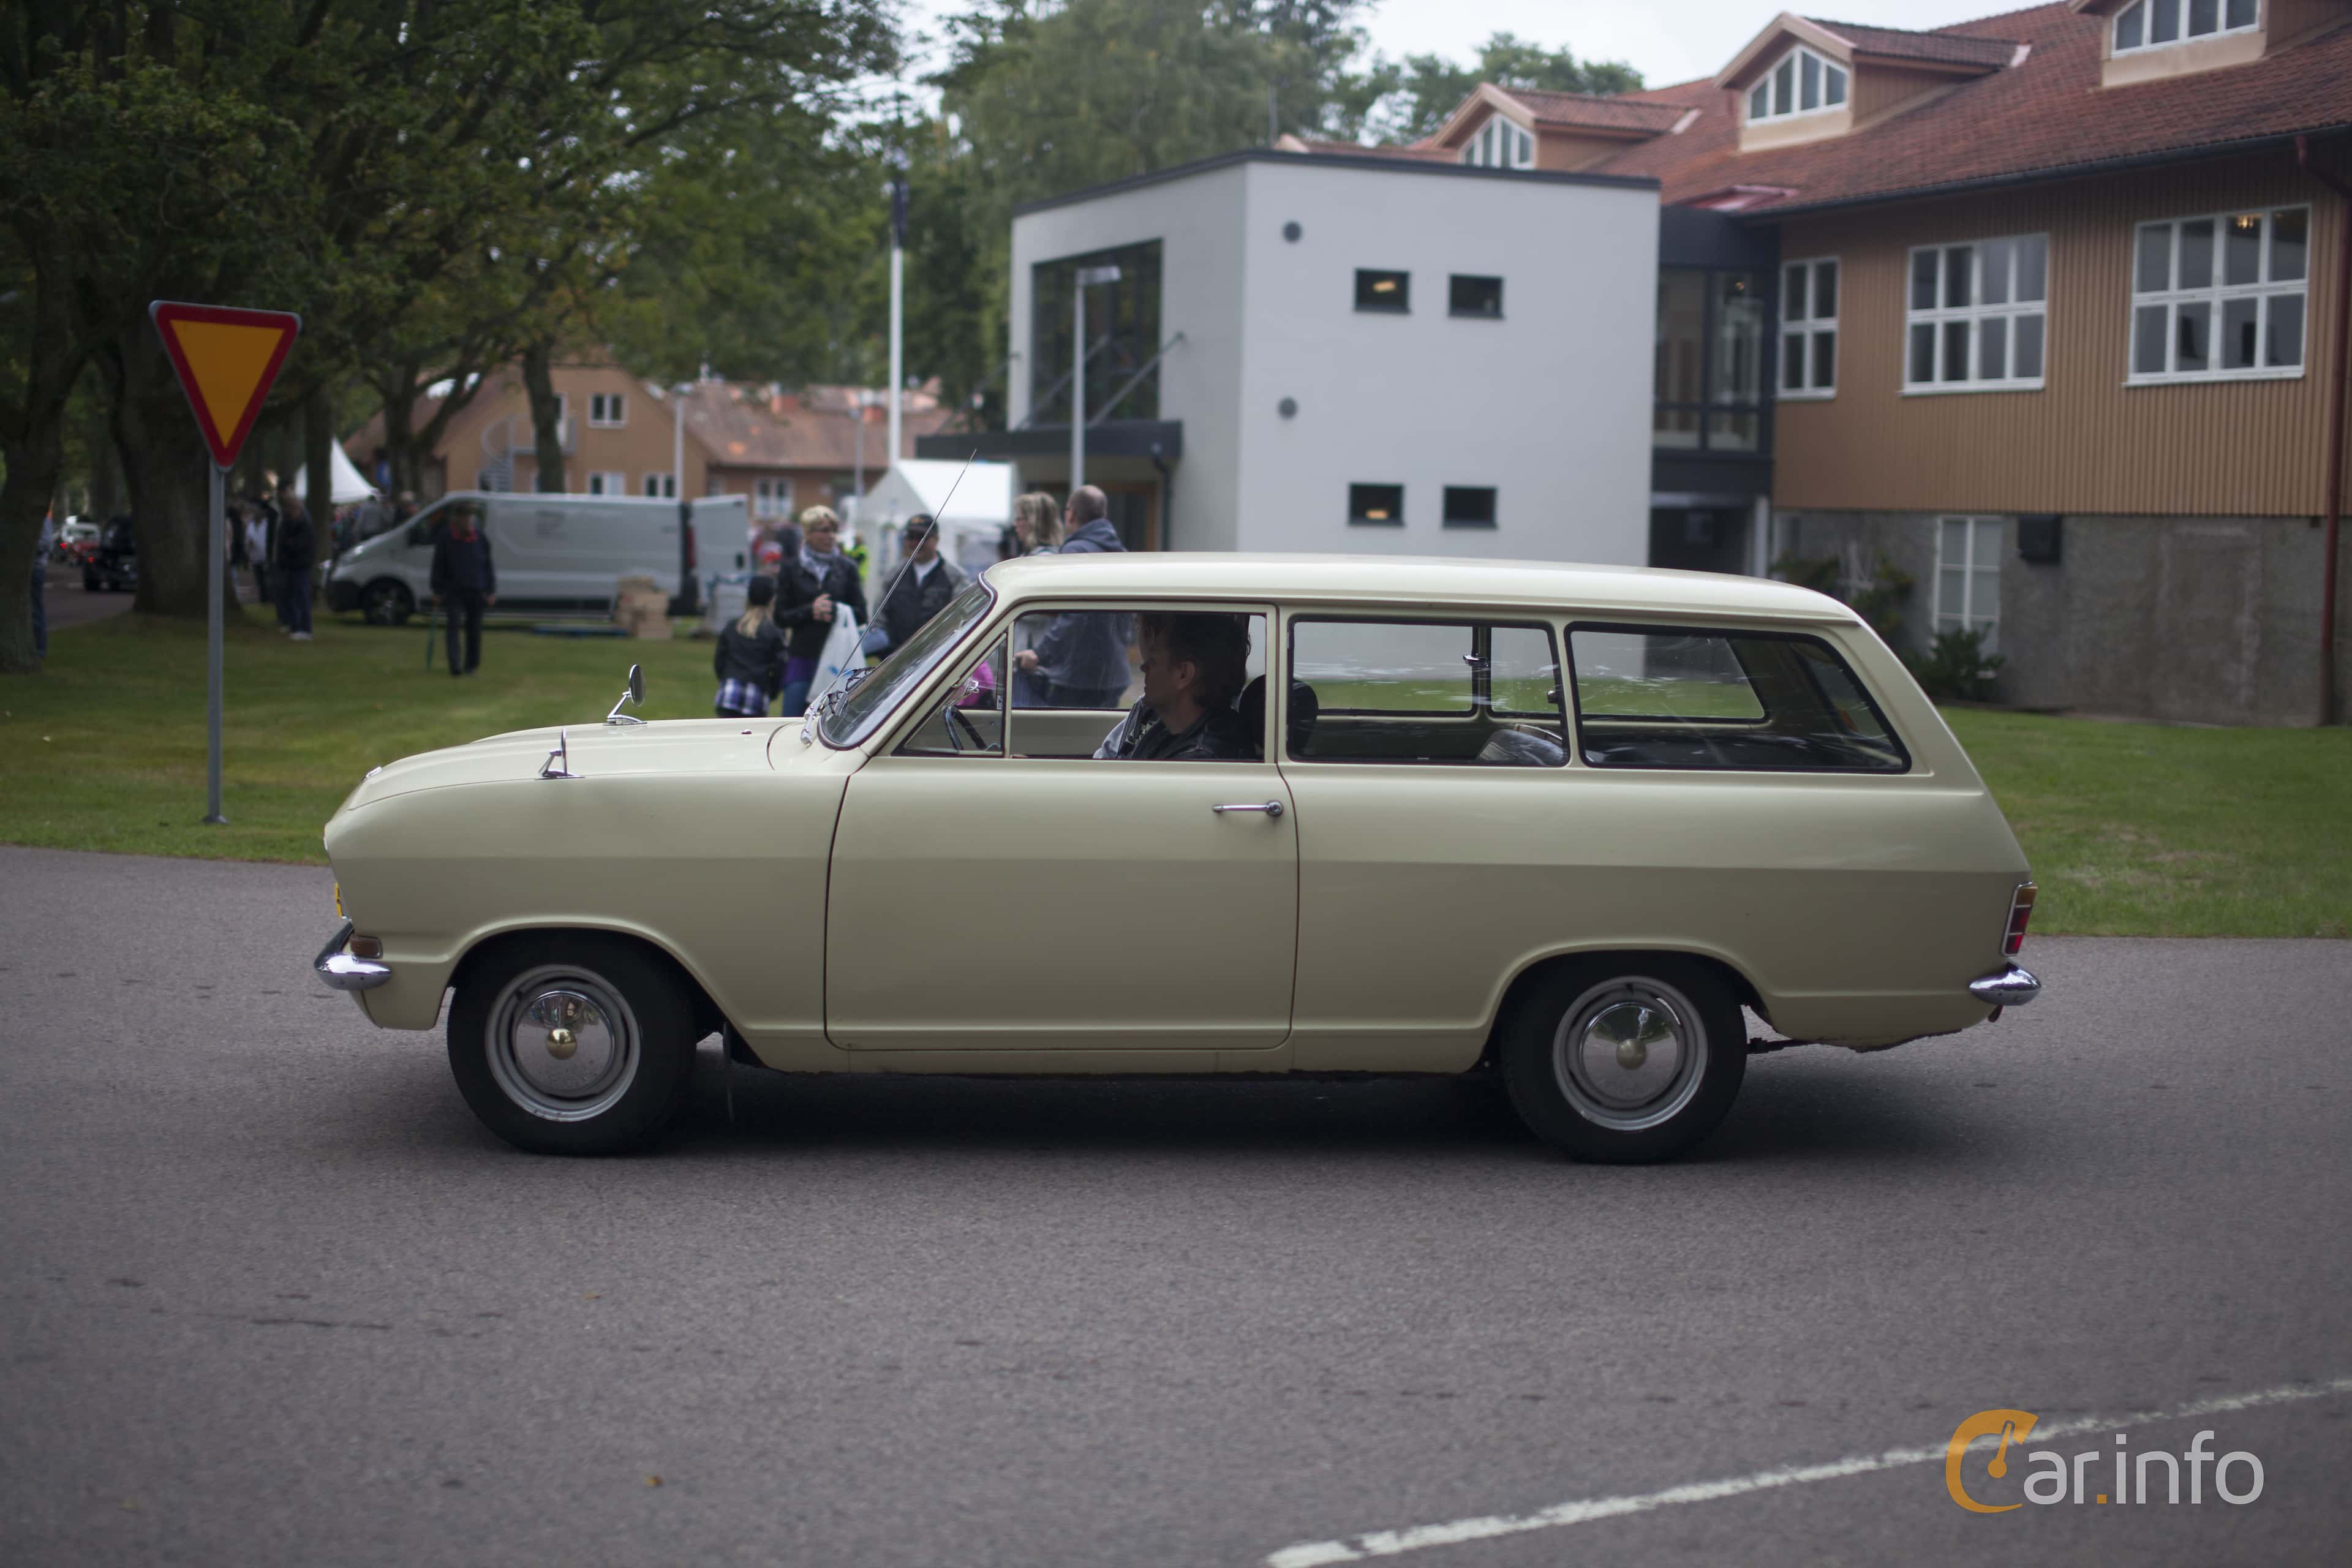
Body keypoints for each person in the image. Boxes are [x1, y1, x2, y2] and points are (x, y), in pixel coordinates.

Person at [1014, 485, 1128, 707]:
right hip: (1114, 673)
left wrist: (1040, 654)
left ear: (1071, 514)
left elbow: (1073, 614)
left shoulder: (1075, 553)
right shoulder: (1119, 553)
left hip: (1077, 677)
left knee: (1062, 738)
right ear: (1103, 515)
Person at [1093, 612, 1256, 763]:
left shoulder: (1199, 760)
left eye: (1155, 659)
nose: (1144, 667)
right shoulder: (1167, 723)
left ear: (1183, 675)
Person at [773, 506, 866, 717]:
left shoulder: (847, 568)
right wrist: (810, 611)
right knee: (792, 721)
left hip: (837, 659)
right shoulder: (791, 568)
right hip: (803, 658)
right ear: (808, 533)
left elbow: (861, 613)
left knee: (834, 722)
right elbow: (780, 617)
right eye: (824, 530)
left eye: (833, 530)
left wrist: (834, 611)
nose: (831, 536)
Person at [865, 514, 968, 660]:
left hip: (935, 662)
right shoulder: (894, 575)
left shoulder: (954, 577)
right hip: (894, 662)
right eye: (910, 537)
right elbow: (878, 620)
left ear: (936, 539)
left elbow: (962, 620)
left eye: (922, 537)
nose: (915, 543)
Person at [429, 501, 495, 676]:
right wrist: (437, 590)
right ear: (457, 519)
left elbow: (488, 566)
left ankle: (471, 666)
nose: (468, 520)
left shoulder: (480, 538)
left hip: (476, 589)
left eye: (470, 517)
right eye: (465, 517)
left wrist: (490, 590)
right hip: (454, 590)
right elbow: (438, 566)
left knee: (474, 630)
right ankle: (455, 666)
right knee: (453, 627)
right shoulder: (446, 538)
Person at [712, 573, 788, 717]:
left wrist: (725, 679)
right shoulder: (774, 632)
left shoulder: (733, 627)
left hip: (729, 693)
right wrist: (772, 691)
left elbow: (720, 660)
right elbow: (780, 667)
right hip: (756, 698)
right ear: (772, 600)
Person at [276, 491, 316, 640]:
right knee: (290, 596)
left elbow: (301, 545)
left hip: (301, 565)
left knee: (301, 596)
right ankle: (294, 625)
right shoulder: (287, 523)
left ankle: (305, 628)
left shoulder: (304, 524)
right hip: (290, 565)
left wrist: (291, 545)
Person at [30, 510, 51, 662]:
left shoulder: (42, 518)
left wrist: (25, 550)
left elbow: (45, 543)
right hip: (23, 568)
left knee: (35, 608)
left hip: (35, 568)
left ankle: (40, 649)